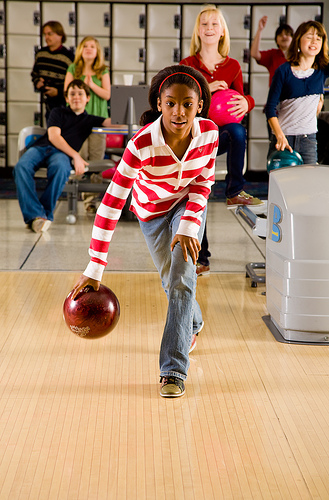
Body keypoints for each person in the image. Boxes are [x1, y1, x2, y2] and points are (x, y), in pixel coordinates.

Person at [70, 65, 219, 398]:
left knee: (182, 276)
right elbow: (110, 203)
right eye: (170, 103)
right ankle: (192, 323)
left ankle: (173, 370)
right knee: (172, 280)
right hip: (151, 211)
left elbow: (204, 183)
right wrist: (95, 267)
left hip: (188, 205)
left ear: (199, 106)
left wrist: (189, 225)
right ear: (159, 104)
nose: (178, 111)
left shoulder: (210, 133)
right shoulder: (141, 144)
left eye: (187, 104)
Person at [180, 3, 263, 276]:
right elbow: (179, 100)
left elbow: (243, 97)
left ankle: (234, 191)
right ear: (198, 31)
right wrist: (206, 87)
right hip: (194, 141)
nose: (209, 28)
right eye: (204, 24)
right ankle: (201, 258)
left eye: (215, 24)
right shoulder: (187, 65)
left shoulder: (233, 66)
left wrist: (248, 103)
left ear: (222, 32)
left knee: (239, 131)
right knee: (198, 198)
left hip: (221, 136)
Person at [14, 80, 112, 233]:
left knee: (61, 169)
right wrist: (76, 156)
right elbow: (54, 137)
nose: (76, 97)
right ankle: (38, 215)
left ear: (88, 98)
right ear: (66, 98)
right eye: (72, 94)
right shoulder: (57, 112)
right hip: (41, 148)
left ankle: (40, 217)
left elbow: (115, 123)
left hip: (61, 155)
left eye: (80, 94)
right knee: (21, 167)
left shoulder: (90, 120)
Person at [265, 20, 329, 165]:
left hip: (308, 140)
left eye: (319, 38)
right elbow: (270, 109)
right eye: (309, 36)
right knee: (281, 185)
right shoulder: (283, 71)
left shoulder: (322, 71)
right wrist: (280, 136)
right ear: (298, 40)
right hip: (283, 138)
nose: (314, 41)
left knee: (308, 185)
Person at [64, 36, 111, 212]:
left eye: (92, 46)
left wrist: (90, 85)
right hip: (77, 123)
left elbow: (107, 94)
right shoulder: (73, 69)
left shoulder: (102, 70)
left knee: (97, 160)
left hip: (98, 121)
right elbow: (67, 93)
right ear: (80, 50)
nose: (89, 49)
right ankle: (74, 196)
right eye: (85, 46)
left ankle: (90, 201)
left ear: (97, 51)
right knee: (79, 158)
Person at [31, 21, 74, 121]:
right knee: (51, 128)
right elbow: (35, 73)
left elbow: (73, 81)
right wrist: (37, 82)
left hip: (64, 102)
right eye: (45, 34)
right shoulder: (41, 54)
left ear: (60, 35)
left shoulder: (68, 57)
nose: (47, 37)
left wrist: (58, 92)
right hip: (49, 101)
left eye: (50, 34)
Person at [250, 16, 294, 87]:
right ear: (276, 41)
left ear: (293, 38)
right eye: (280, 35)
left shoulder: (299, 55)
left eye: (287, 34)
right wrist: (260, 30)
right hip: (276, 95)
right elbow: (254, 54)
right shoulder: (273, 54)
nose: (284, 37)